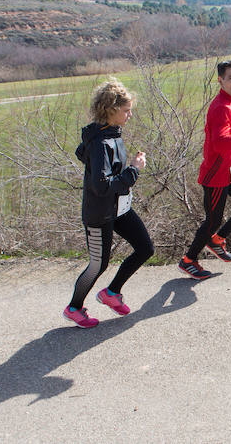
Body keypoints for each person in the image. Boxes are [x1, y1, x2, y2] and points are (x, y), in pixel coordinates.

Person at [64, 79, 154, 328]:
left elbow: (92, 162)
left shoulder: (108, 134)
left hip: (119, 208)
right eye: (126, 110)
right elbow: (101, 185)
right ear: (111, 110)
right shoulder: (101, 143)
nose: (130, 114)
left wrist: (128, 168)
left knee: (145, 248)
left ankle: (111, 293)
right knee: (98, 264)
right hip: (99, 213)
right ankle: (74, 308)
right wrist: (134, 170)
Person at [179, 60, 231, 278]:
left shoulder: (230, 104)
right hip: (217, 175)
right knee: (213, 220)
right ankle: (189, 259)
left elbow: (226, 136)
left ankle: (217, 240)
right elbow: (220, 144)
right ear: (220, 80)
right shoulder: (221, 107)